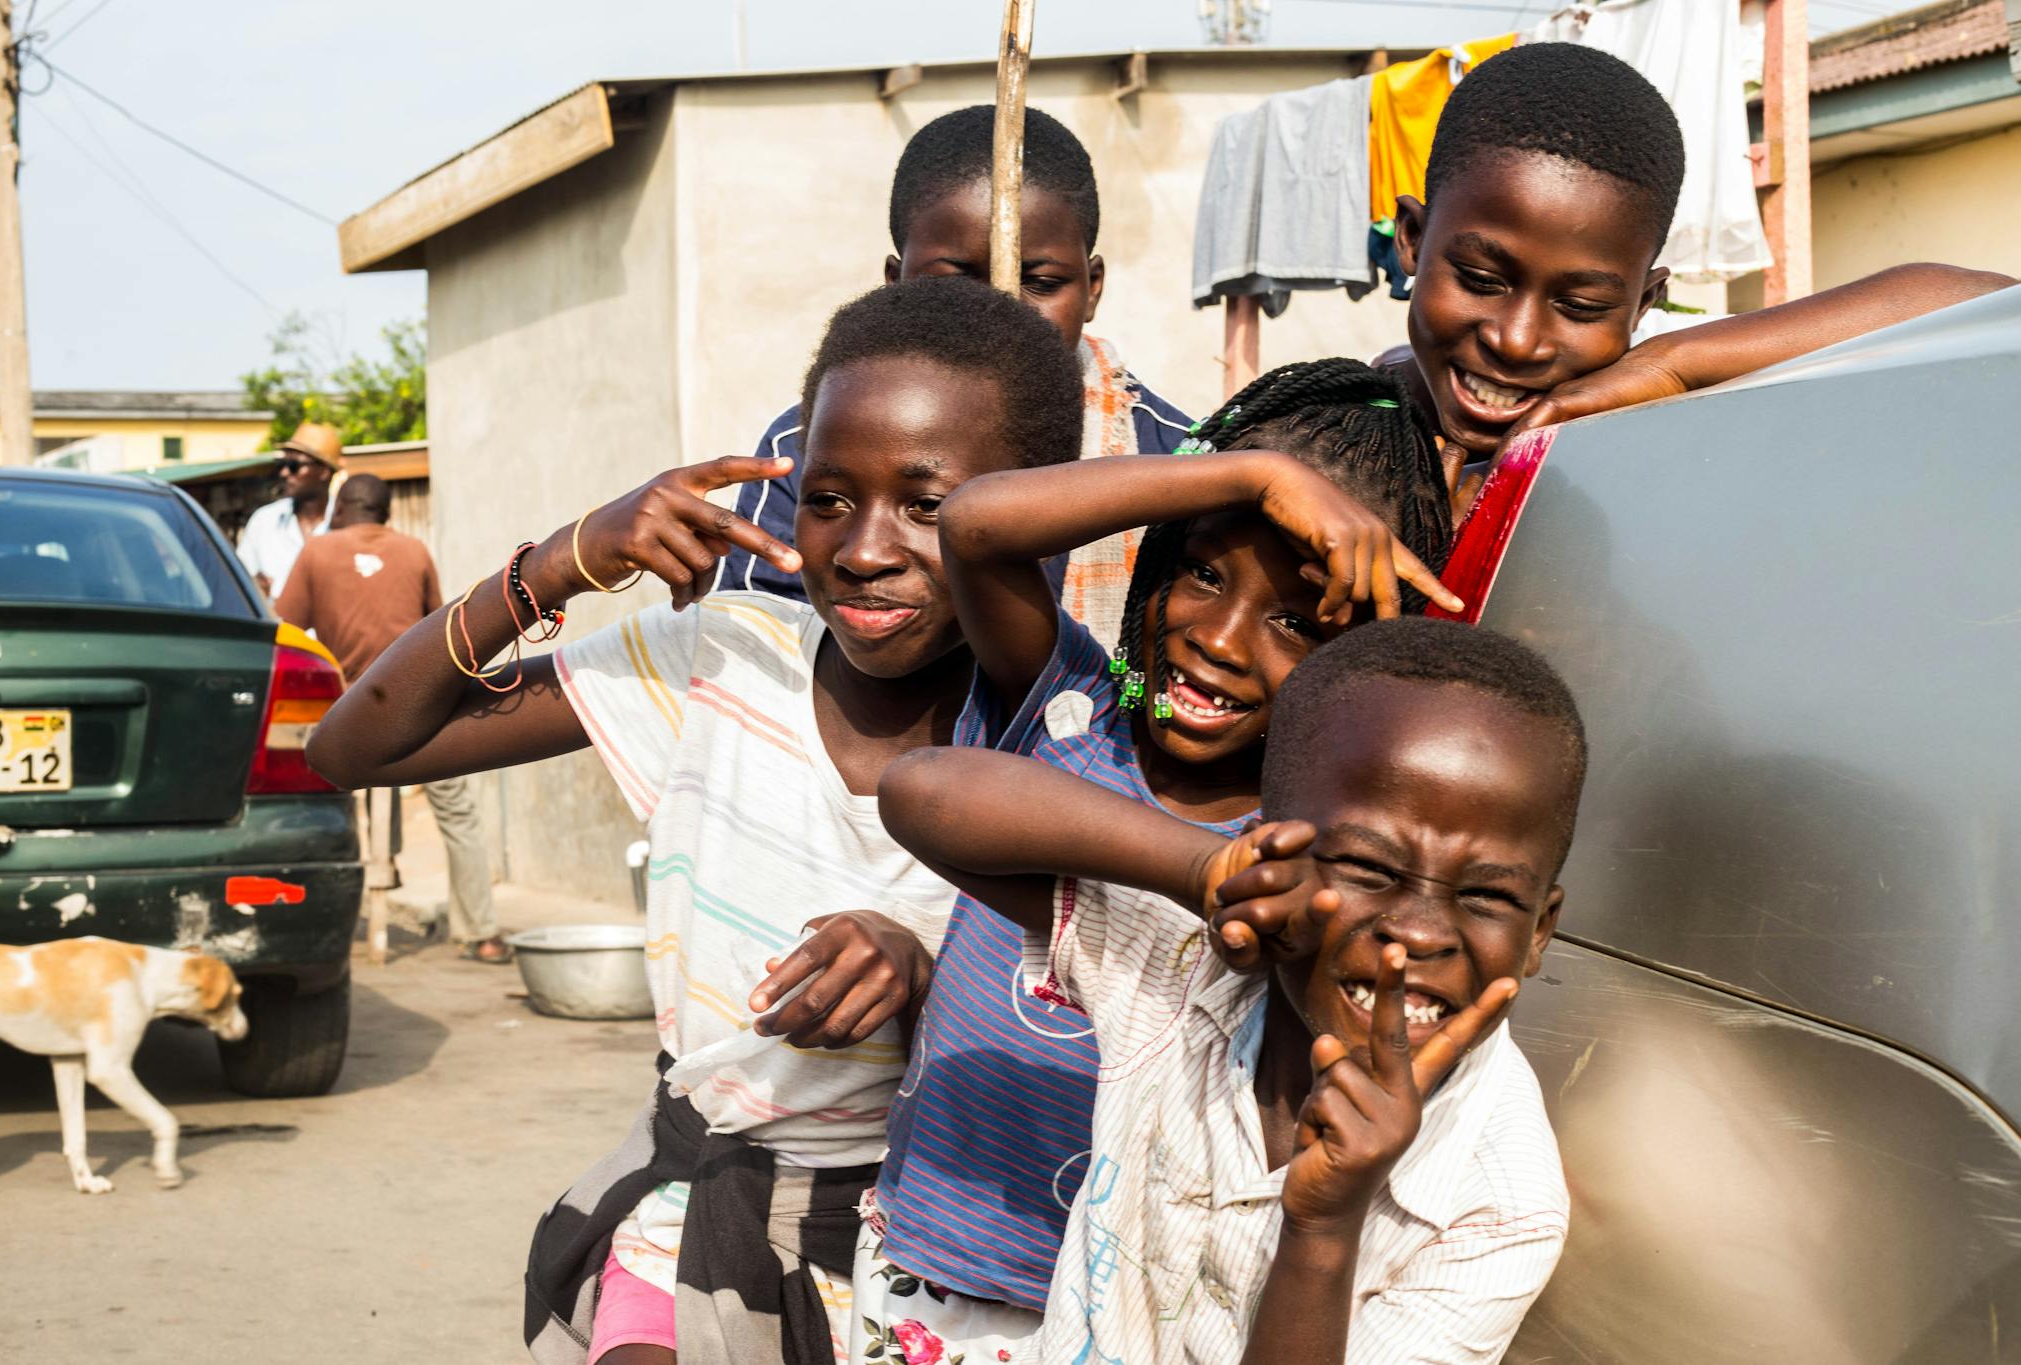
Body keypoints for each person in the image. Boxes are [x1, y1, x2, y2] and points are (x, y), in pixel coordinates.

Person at [307, 278, 1109, 1365]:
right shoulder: (724, 657)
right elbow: (356, 748)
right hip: (691, 1212)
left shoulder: (1072, 741)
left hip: (946, 1258)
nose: (863, 549)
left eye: (927, 507)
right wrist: (561, 561)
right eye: (829, 498)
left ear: (1033, 518)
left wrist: (923, 974)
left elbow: (1103, 1038)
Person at [795, 360, 1462, 1361]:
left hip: (1123, 1320)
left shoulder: (1299, 854)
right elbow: (974, 524)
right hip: (924, 1280)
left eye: (1294, 621)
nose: (1219, 639)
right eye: (1203, 573)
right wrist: (1251, 476)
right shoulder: (1076, 708)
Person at [876, 616, 1588, 1363]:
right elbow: (920, 791)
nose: (1417, 933)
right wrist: (1200, 869)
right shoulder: (1189, 962)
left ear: (1540, 929)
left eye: (1486, 896)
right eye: (1369, 869)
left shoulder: (1499, 1208)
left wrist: (1322, 1230)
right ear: (1268, 852)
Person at [1382, 42, 2014, 485]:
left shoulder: (1664, 383)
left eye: (1581, 307)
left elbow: (1988, 301)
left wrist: (1670, 366)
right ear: (1411, 238)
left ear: (1644, 304)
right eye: (1481, 281)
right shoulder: (1362, 409)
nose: (1518, 341)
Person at [715, 104, 1193, 649]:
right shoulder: (810, 448)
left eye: (1039, 283)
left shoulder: (1177, 463)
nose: (1000, 312)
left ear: (1093, 288)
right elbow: (769, 648)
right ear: (896, 282)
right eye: (956, 282)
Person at [274, 473, 509, 964]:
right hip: (424, 706)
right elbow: (441, 629)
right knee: (458, 813)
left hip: (350, 713)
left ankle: (315, 917)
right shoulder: (415, 551)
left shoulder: (317, 552)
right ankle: (481, 933)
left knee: (326, 800)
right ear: (387, 513)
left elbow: (285, 629)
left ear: (341, 509)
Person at [238, 421, 341, 599]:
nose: (284, 473)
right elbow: (239, 584)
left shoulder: (345, 523)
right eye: (282, 464)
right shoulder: (263, 522)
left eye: (294, 466)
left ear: (324, 472)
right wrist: (254, 586)